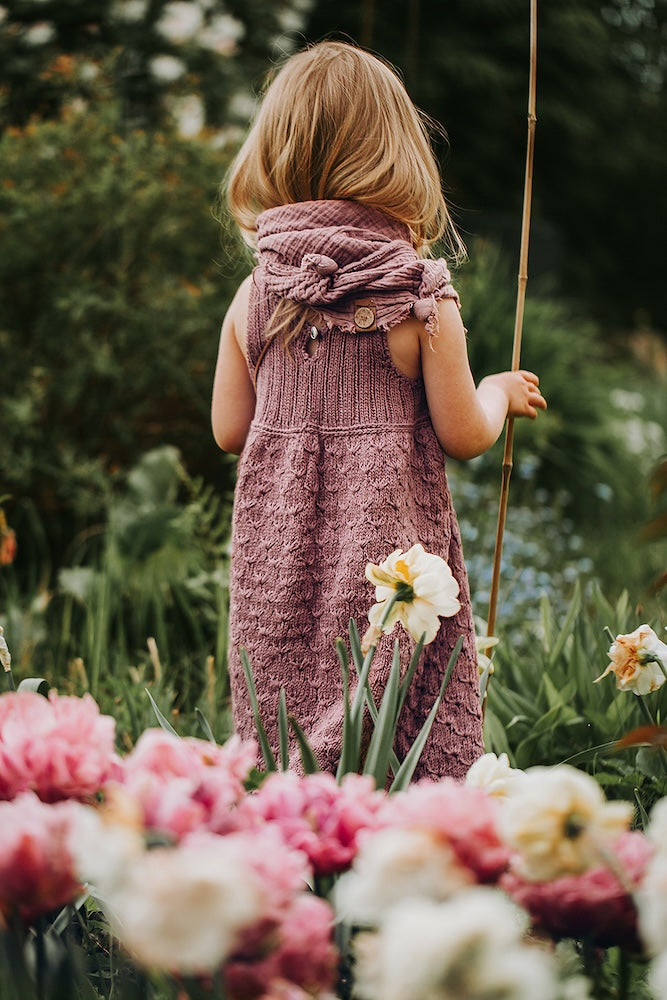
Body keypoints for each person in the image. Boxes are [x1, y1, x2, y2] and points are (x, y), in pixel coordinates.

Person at [211, 40, 546, 780]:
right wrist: (497, 391)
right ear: (398, 154)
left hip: (279, 571)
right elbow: (463, 434)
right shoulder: (419, 298)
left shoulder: (254, 296)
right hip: (391, 577)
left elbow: (229, 431)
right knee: (397, 728)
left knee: (284, 717)